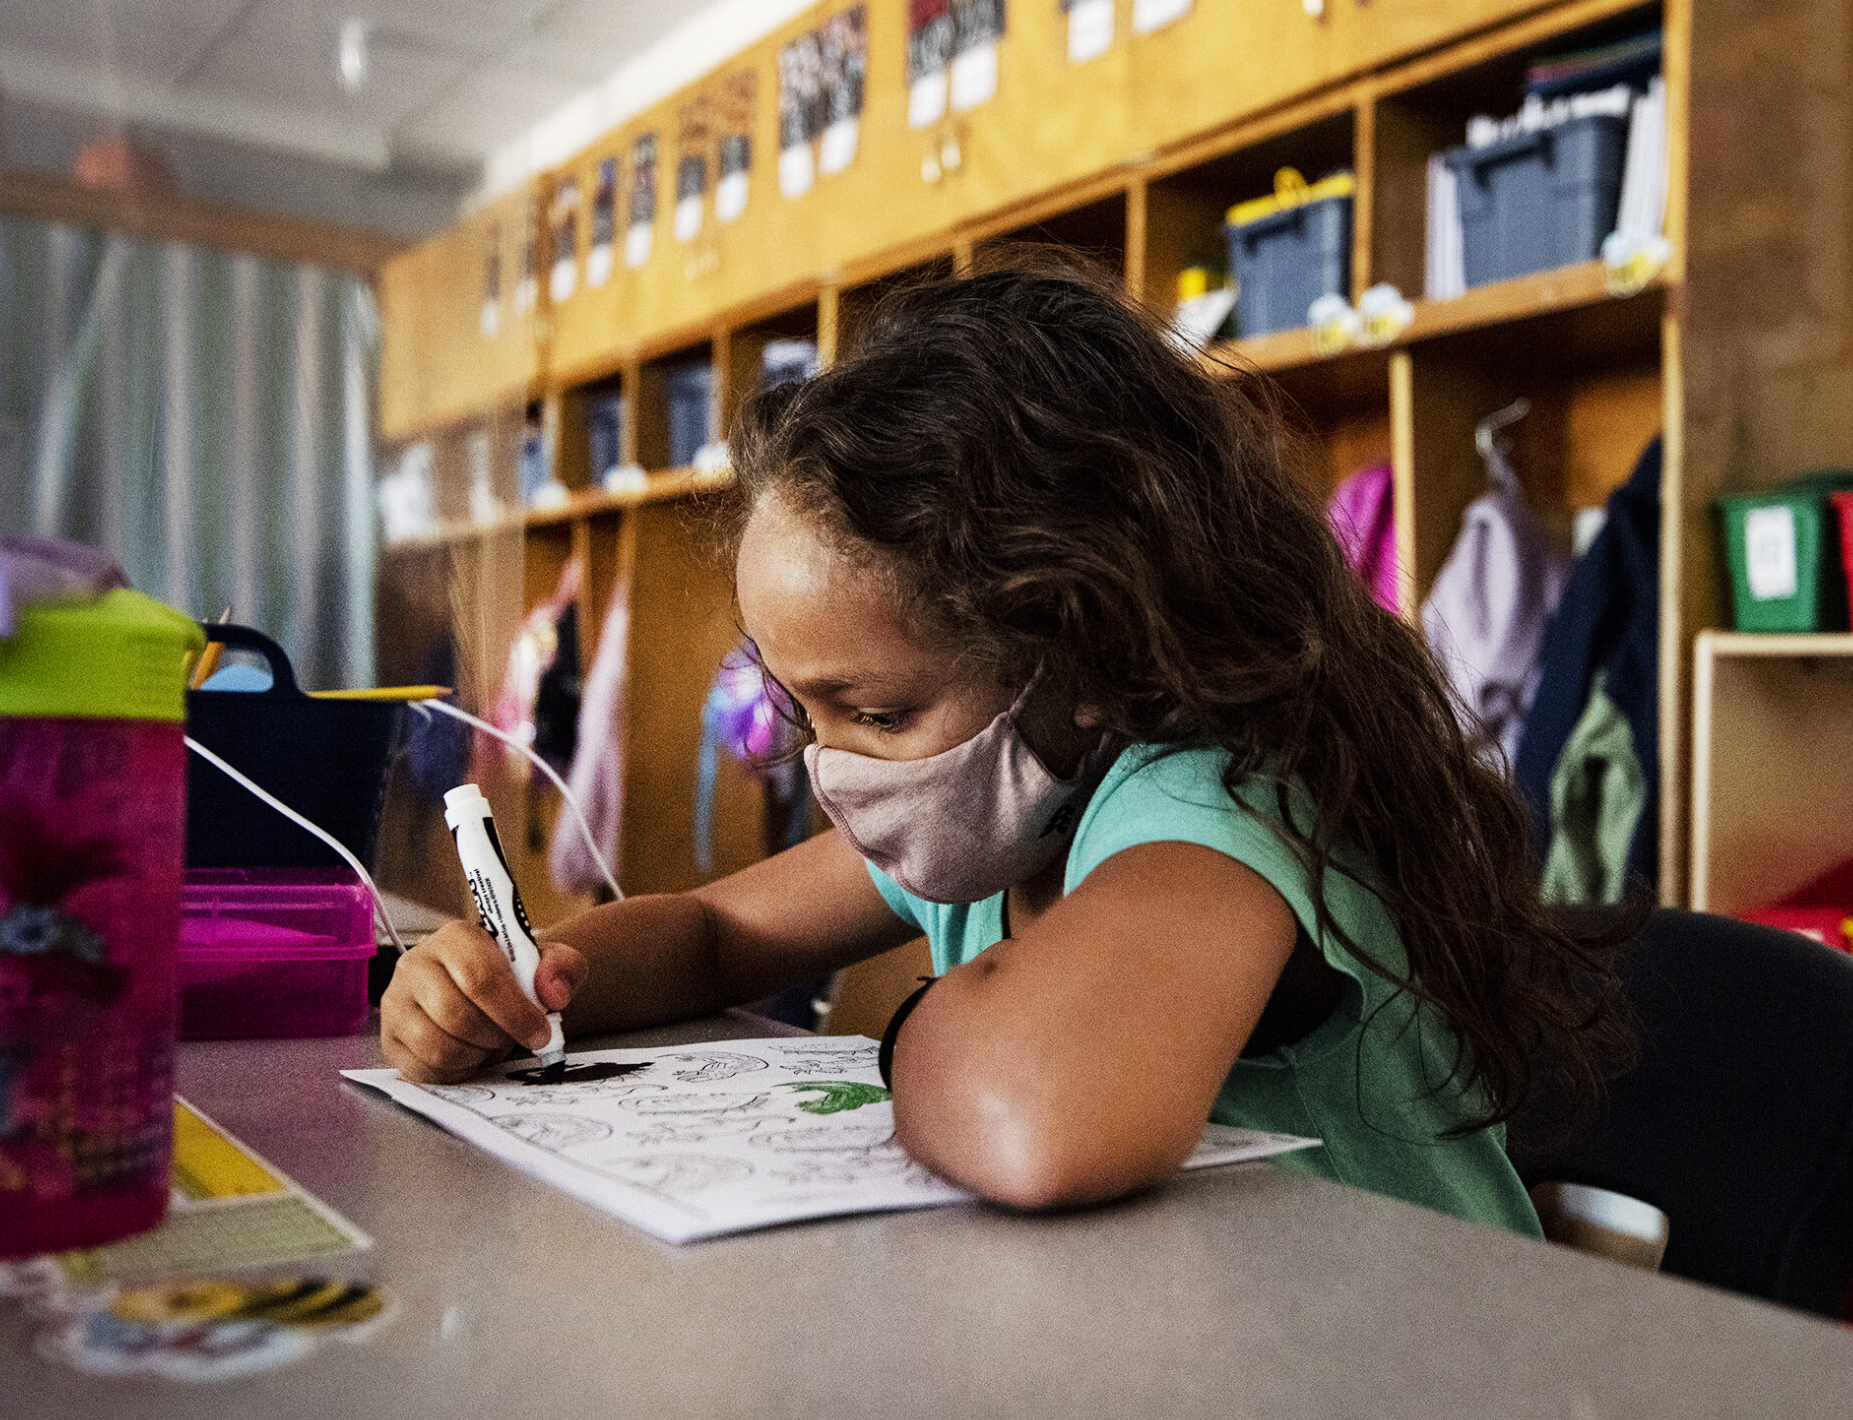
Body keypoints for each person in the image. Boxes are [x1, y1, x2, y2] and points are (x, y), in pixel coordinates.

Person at [380, 264, 1631, 1230]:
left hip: (1418, 1405)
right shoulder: (987, 796)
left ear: (1086, 651)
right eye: (805, 709)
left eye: (875, 713)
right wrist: (530, 978)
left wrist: (921, 1021)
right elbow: (718, 936)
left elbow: (1035, 1116)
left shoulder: (1218, 804)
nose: (835, 768)